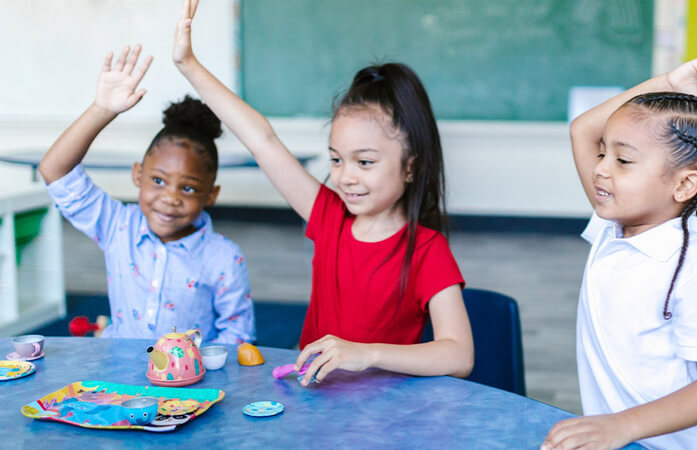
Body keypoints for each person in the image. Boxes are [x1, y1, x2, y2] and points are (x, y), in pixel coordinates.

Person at [172, 0, 473, 385]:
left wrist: (365, 353)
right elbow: (261, 139)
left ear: (410, 166)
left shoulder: (427, 250)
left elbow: (459, 354)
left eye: (364, 162)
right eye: (336, 160)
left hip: (388, 420)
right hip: (315, 405)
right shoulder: (329, 216)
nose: (345, 177)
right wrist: (189, 66)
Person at [542, 59, 697, 449]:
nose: (600, 169)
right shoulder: (615, 226)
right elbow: (583, 129)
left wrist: (622, 426)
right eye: (602, 155)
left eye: (623, 160)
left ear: (684, 184)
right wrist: (670, 83)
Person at [39, 44, 255, 345]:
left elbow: (238, 336)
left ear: (211, 195)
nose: (170, 197)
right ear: (137, 175)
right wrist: (101, 110)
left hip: (188, 387)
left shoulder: (224, 257)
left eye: (189, 188)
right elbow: (55, 171)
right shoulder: (117, 226)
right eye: (158, 180)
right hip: (116, 382)